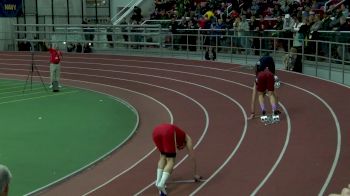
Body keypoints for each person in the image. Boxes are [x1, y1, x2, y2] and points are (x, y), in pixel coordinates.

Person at [152, 123, 201, 196]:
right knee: (171, 160)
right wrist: (195, 174)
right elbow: (192, 157)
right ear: (184, 143)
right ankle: (161, 183)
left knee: (163, 157)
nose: (180, 148)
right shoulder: (187, 139)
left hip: (156, 131)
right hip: (168, 131)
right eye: (181, 147)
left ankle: (158, 182)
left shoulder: (178, 134)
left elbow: (163, 158)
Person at [248, 55, 280, 120]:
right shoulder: (270, 70)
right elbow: (276, 96)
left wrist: (252, 113)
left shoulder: (257, 77)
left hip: (262, 74)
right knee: (271, 94)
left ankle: (263, 110)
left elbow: (253, 97)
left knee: (260, 95)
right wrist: (277, 108)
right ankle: (274, 111)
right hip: (270, 73)